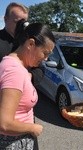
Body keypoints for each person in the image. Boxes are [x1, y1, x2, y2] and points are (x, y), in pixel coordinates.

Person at [0, 19, 55, 149]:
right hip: (12, 143)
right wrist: (32, 128)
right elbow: (4, 123)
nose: (46, 59)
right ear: (30, 44)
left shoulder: (12, 64)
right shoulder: (14, 71)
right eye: (45, 53)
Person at [0, 2, 44, 87]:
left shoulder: (29, 42)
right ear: (5, 19)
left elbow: (40, 68)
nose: (21, 26)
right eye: (17, 22)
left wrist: (30, 76)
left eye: (24, 23)